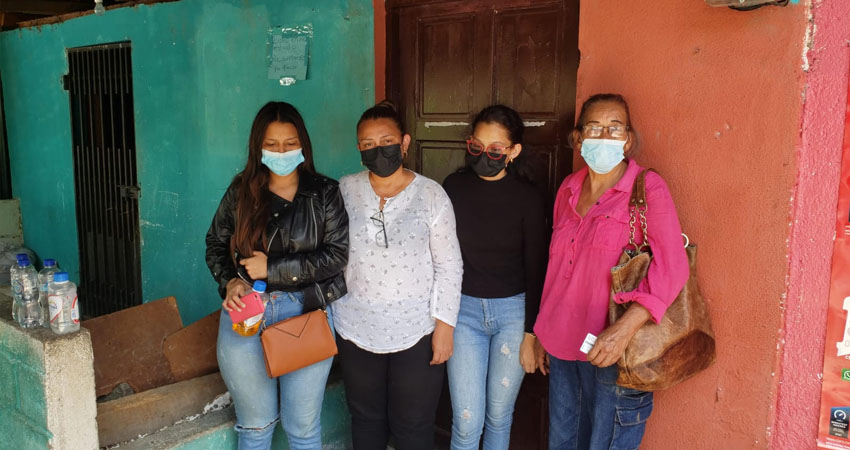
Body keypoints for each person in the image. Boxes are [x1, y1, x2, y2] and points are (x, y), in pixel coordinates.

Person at [534, 93, 690, 450]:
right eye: (594, 128)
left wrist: (623, 329)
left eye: (614, 128)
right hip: (562, 345)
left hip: (617, 349)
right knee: (563, 441)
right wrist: (545, 328)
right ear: (578, 139)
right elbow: (558, 266)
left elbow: (673, 266)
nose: (604, 137)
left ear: (628, 139)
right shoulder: (569, 188)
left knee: (606, 443)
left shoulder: (647, 188)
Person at [205, 101, 349, 450]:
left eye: (289, 143)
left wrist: (272, 269)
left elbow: (336, 256)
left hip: (306, 314)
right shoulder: (241, 192)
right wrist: (231, 281)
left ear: (303, 145)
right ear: (258, 147)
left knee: (302, 429)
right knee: (255, 427)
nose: (281, 152)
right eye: (271, 144)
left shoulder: (325, 193)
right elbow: (215, 243)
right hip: (246, 317)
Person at [333, 100, 463, 450]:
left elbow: (449, 265)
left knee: (414, 427)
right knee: (366, 421)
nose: (379, 150)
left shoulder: (432, 195)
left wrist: (444, 328)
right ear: (358, 149)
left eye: (387, 141)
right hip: (355, 327)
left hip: (417, 331)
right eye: (368, 145)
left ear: (404, 142)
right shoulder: (344, 190)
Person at [442, 105, 548, 450]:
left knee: (499, 417)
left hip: (513, 316)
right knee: (466, 421)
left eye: (496, 150)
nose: (484, 156)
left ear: (514, 151)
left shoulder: (528, 199)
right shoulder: (453, 188)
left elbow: (536, 269)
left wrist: (532, 335)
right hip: (464, 313)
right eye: (477, 146)